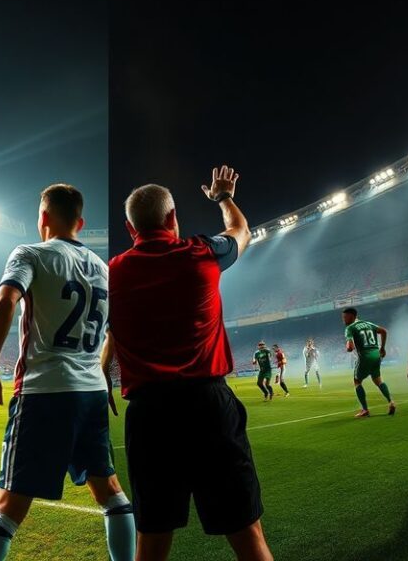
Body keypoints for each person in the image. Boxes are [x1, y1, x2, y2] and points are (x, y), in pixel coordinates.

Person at [108, 166, 272, 561]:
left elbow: (112, 326)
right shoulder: (202, 252)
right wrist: (222, 198)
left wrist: (100, 368)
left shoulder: (112, 273)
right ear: (172, 218)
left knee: (151, 541)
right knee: (248, 536)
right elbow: (242, 230)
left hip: (149, 418)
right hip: (208, 408)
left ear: (132, 230)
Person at [0, 184, 135, 561]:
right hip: (90, 392)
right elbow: (116, 331)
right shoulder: (104, 269)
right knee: (110, 490)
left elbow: (5, 300)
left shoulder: (30, 253)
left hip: (44, 392)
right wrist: (103, 372)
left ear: (42, 217)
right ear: (81, 221)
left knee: (8, 506)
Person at [342, 308, 394, 418]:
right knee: (378, 380)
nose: (343, 320)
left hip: (365, 357)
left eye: (345, 317)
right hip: (376, 355)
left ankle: (365, 410)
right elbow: (384, 331)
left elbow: (350, 347)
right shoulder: (368, 324)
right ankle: (391, 402)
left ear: (352, 316)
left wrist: (348, 347)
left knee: (357, 381)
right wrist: (383, 348)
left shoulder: (350, 328)